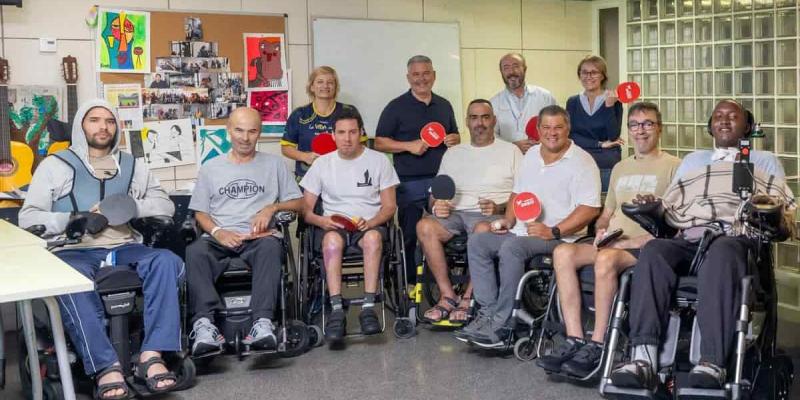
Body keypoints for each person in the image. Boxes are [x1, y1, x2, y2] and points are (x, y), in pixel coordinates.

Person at [610, 99, 796, 390]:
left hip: (735, 238)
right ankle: (643, 358)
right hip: (692, 236)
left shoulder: (763, 161)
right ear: (710, 126)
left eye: (732, 116)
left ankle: (712, 362)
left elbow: (783, 212)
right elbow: (673, 206)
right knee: (655, 250)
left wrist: (767, 210)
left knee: (722, 249)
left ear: (747, 126)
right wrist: (656, 206)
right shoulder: (695, 162)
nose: (724, 120)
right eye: (718, 116)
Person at [19, 99, 183, 399]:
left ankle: (152, 355)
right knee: (70, 278)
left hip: (123, 245)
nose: (103, 127)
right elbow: (28, 217)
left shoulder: (133, 166)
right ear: (81, 126)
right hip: (73, 249)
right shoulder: (55, 166)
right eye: (94, 120)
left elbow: (165, 206)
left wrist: (131, 206)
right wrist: (74, 218)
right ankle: (106, 367)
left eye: (109, 121)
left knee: (166, 261)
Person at [536, 102, 681, 377]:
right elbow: (606, 214)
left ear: (659, 128)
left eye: (647, 124)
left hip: (645, 246)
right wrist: (601, 230)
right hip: (612, 243)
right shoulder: (620, 168)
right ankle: (575, 339)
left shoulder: (675, 167)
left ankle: (599, 343)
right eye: (634, 125)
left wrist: (626, 243)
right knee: (563, 253)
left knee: (605, 259)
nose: (641, 130)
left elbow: (675, 224)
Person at [459, 105, 601, 348]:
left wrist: (553, 231)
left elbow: (590, 209)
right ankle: (487, 313)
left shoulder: (582, 162)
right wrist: (508, 220)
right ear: (538, 129)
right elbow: (518, 193)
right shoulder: (532, 155)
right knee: (479, 241)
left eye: (558, 127)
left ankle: (504, 324)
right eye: (546, 127)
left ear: (568, 128)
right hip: (522, 232)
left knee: (512, 248)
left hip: (560, 238)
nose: (552, 133)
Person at [186, 108, 303, 355]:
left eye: (252, 131)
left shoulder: (275, 164)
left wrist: (272, 208)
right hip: (219, 237)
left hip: (258, 237)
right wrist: (218, 231)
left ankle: (262, 323)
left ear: (259, 133)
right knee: (195, 252)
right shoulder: (211, 168)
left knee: (271, 247)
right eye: (239, 130)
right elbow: (200, 213)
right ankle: (205, 326)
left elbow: (299, 203)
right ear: (228, 130)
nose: (245, 138)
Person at [416, 99, 522, 324]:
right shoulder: (453, 153)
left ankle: (468, 298)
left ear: (494, 120)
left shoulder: (511, 151)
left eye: (485, 117)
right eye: (474, 118)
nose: (479, 123)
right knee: (424, 226)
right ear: (467, 122)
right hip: (455, 213)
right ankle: (447, 296)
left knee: (482, 230)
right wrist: (436, 205)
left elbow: (522, 195)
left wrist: (500, 207)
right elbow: (435, 193)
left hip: (491, 216)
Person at [301, 106, 400, 342]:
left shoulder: (379, 161)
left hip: (370, 225)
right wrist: (322, 221)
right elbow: (304, 211)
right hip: (334, 228)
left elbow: (389, 207)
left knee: (373, 239)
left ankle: (368, 307)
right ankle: (336, 309)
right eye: (342, 132)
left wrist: (372, 222)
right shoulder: (322, 164)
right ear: (333, 135)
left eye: (353, 132)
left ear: (361, 133)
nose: (347, 138)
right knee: (331, 242)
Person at [375, 55, 460, 282]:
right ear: (408, 77)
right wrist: (407, 146)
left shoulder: (444, 105)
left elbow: (455, 135)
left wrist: (454, 138)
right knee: (410, 234)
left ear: (434, 75)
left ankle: (439, 282)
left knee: (445, 230)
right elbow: (379, 142)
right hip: (409, 182)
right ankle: (411, 283)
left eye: (426, 73)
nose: (421, 79)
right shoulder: (395, 107)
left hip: (441, 181)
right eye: (416, 74)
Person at [281, 66, 363, 178]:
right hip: (307, 177)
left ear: (335, 87)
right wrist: (305, 157)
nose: (325, 86)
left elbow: (362, 144)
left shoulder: (349, 111)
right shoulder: (299, 114)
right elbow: (286, 148)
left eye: (330, 82)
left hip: (343, 176)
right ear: (312, 87)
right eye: (320, 82)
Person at [566, 55, 624, 192]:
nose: (589, 76)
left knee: (604, 202)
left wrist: (609, 106)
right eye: (584, 72)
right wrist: (599, 144)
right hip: (578, 162)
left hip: (606, 164)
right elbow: (570, 135)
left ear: (602, 76)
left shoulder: (614, 101)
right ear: (579, 75)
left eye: (594, 72)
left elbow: (613, 135)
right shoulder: (573, 102)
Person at [490, 53, 557, 154]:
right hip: (508, 157)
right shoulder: (493, 103)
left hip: (542, 155)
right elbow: (491, 135)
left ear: (525, 69)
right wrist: (512, 146)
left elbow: (558, 126)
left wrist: (545, 142)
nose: (511, 71)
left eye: (516, 66)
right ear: (501, 72)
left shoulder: (545, 97)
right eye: (506, 68)